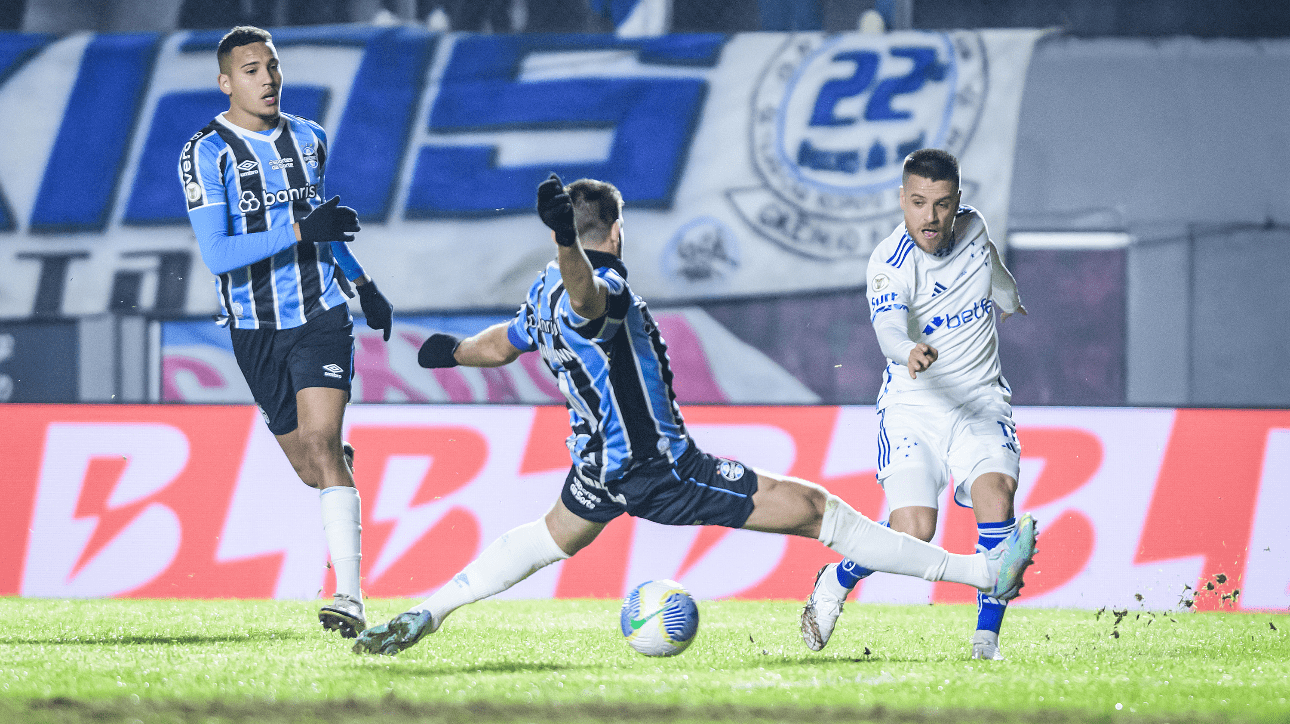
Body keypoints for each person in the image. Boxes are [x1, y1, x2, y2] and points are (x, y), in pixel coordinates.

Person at [352, 173, 1036, 656]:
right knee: (820, 512)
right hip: (660, 467)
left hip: (597, 465)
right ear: (616, 231)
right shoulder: (602, 282)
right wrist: (566, 242)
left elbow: (500, 343)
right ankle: (981, 574)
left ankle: (430, 610)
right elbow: (590, 304)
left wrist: (446, 352)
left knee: (542, 538)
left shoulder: (538, 297)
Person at [179, 26, 395, 638]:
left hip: (321, 315)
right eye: (250, 69)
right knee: (312, 466)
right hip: (253, 327)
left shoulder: (309, 138)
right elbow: (219, 255)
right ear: (226, 82)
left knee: (322, 446)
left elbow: (320, 226)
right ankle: (336, 476)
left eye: (271, 66)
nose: (267, 78)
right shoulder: (205, 152)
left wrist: (363, 284)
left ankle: (349, 597)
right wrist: (303, 232)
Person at [800, 148, 1029, 660]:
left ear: (958, 204)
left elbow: (989, 265)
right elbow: (886, 328)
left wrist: (1010, 299)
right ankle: (837, 579)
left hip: (980, 404)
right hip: (914, 409)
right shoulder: (888, 263)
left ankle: (985, 643)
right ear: (902, 200)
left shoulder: (974, 228)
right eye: (919, 202)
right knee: (914, 529)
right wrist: (908, 350)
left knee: (997, 496)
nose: (930, 217)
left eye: (942, 204)